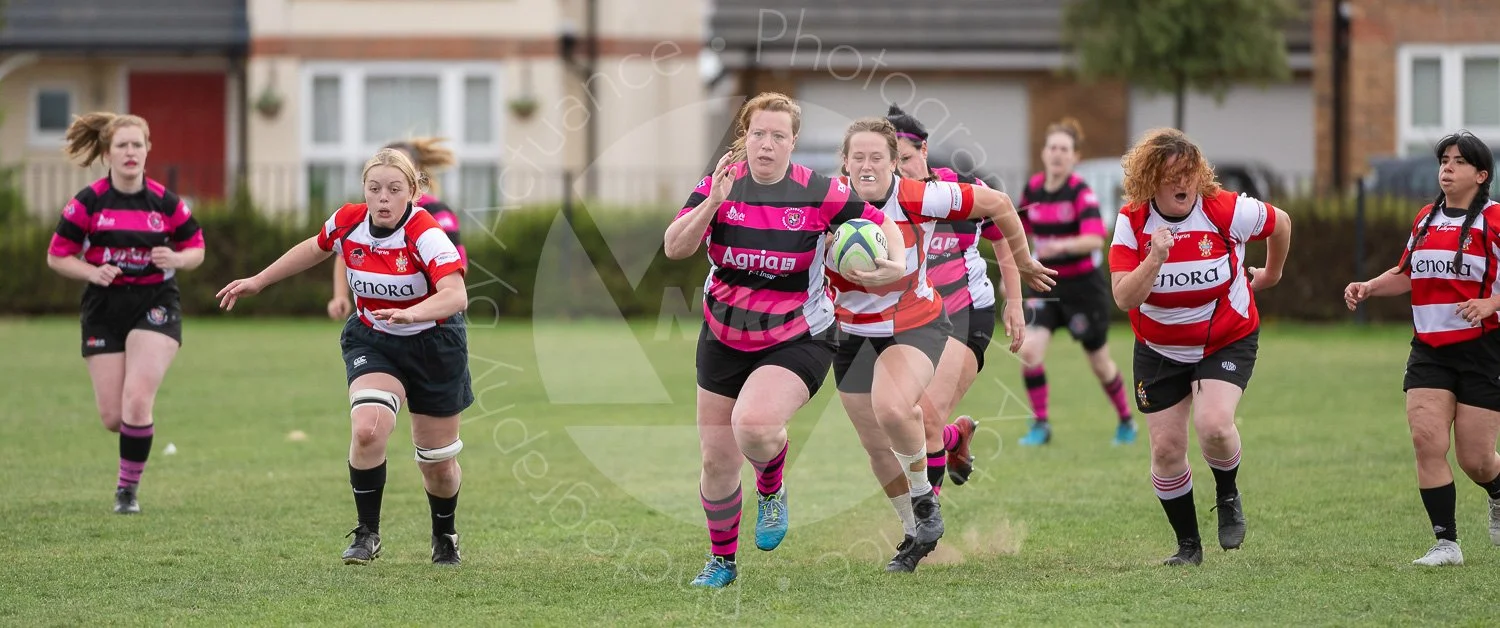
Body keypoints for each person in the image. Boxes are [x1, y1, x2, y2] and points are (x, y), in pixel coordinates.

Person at [662, 92, 901, 589]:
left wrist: (895, 263)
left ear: (793, 142)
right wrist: (712, 204)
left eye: (777, 136)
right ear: (743, 138)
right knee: (717, 458)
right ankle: (722, 562)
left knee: (753, 425)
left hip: (797, 336)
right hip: (724, 336)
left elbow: (882, 224)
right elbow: (674, 247)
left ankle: (771, 486)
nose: (765, 144)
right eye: (757, 134)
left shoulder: (819, 191)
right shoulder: (720, 186)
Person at [217, 148, 472, 566]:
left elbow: (455, 295)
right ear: (364, 191)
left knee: (438, 465)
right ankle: (367, 532)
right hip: (374, 339)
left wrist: (412, 312)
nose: (383, 198)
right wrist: (259, 281)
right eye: (374, 189)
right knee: (368, 428)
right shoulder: (349, 220)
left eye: (394, 189)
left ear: (412, 192)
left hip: (434, 345)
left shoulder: (425, 232)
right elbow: (315, 247)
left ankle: (444, 533)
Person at [832, 117, 1054, 573]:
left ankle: (927, 510)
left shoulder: (928, 194)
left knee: (901, 411)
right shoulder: (828, 201)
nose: (868, 165)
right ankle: (914, 531)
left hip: (924, 321)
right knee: (877, 443)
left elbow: (999, 204)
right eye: (858, 157)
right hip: (853, 329)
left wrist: (1022, 269)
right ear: (845, 163)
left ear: (899, 161)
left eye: (879, 156)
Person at [1108, 128, 1290, 566]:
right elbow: (1123, 297)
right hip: (1157, 347)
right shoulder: (1133, 220)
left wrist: (1270, 274)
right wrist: (1155, 258)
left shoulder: (1224, 209)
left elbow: (1281, 222)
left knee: (1214, 426)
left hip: (1225, 339)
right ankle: (1188, 546)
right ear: (1149, 180)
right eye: (1170, 175)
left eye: (1188, 172)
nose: (1182, 183)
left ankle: (1227, 494)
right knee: (1167, 450)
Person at [1344, 131, 1500, 567]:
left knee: (1476, 460)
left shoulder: (1496, 221)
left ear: (1481, 174)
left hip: (1483, 352)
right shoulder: (1425, 219)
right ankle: (1446, 543)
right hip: (1429, 350)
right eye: (1443, 160)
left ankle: (1498, 491)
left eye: (1458, 161)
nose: (1446, 168)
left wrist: (1491, 303)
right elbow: (1407, 273)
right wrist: (1370, 286)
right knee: (1426, 440)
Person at [45, 112, 204, 515]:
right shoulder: (89, 202)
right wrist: (92, 270)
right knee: (115, 417)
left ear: (148, 149)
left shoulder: (167, 204)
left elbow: (196, 249)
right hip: (103, 308)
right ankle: (138, 428)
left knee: (136, 401)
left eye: (137, 144)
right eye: (122, 145)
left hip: (155, 303)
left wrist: (178, 259)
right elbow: (57, 256)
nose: (130, 152)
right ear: (107, 152)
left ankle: (126, 493)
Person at [885, 104, 1012, 491]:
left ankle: (928, 526)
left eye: (905, 158)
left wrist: (1017, 302)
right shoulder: (885, 201)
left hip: (966, 313)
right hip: (916, 320)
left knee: (925, 419)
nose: (900, 169)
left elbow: (1003, 235)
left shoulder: (959, 190)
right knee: (902, 420)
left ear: (924, 151)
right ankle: (955, 440)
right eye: (894, 162)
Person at [1016, 118, 1136, 447]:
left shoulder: (1081, 193)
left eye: (1064, 150)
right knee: (1030, 351)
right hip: (1046, 285)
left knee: (1099, 363)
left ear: (1074, 158)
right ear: (1043, 153)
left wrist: (1062, 246)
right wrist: (1015, 271)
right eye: (1052, 148)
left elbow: (1095, 239)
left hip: (1083, 288)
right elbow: (1016, 231)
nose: (1057, 154)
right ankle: (1040, 424)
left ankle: (1126, 419)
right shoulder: (1033, 189)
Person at [330, 137, 464, 320]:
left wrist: (420, 302)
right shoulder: (372, 213)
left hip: (434, 320)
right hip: (382, 318)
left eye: (403, 163)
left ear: (414, 174)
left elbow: (457, 265)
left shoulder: (437, 212)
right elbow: (345, 253)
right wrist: (339, 296)